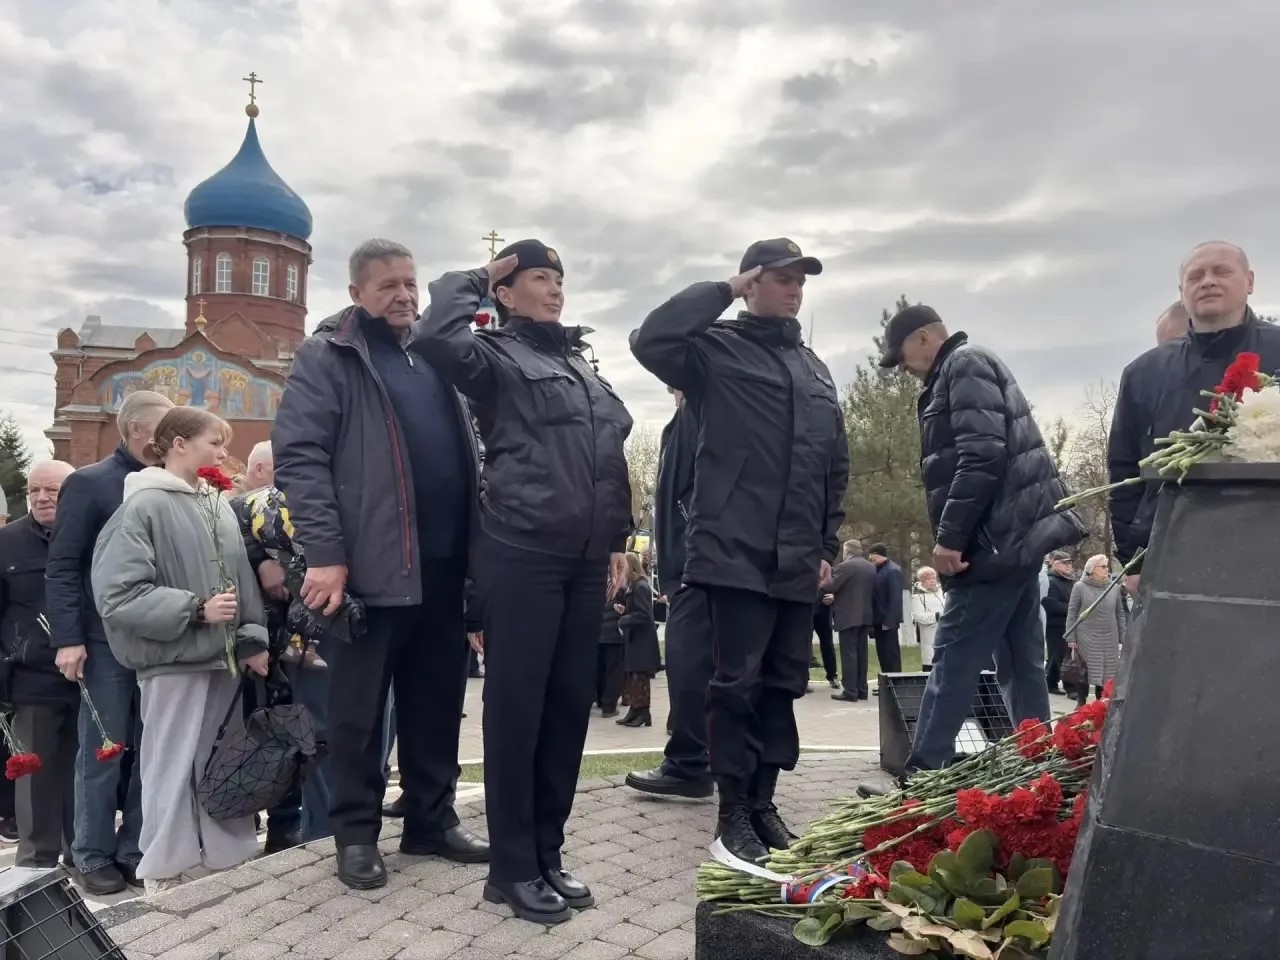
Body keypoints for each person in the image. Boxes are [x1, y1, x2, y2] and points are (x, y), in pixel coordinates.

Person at [413, 239, 632, 924]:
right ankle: (510, 869)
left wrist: (618, 539)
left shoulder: (580, 366)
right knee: (517, 710)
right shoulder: (494, 357)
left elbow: (606, 457)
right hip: (523, 551)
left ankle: (545, 853)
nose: (556, 287)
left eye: (560, 278)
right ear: (505, 293)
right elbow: (433, 334)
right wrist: (479, 276)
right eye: (540, 277)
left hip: (585, 558)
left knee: (568, 707)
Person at [272, 238, 484, 891]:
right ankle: (356, 836)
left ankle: (430, 821)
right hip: (369, 571)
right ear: (357, 293)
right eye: (388, 285)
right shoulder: (330, 356)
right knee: (359, 715)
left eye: (410, 284)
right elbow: (300, 457)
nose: (404, 296)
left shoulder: (432, 357)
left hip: (444, 568)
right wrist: (326, 554)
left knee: (436, 702)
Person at [630, 237, 848, 862]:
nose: (794, 289)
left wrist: (826, 543)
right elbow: (651, 338)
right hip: (734, 548)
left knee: (782, 684)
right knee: (735, 685)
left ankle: (762, 803)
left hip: (797, 556)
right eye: (781, 277)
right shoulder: (713, 350)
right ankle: (732, 814)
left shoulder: (814, 368)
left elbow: (834, 462)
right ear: (752, 282)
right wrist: (723, 289)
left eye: (800, 280)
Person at [862, 304, 1083, 787]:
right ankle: (1037, 772)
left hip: (991, 546)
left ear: (923, 338)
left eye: (900, 356)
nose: (901, 369)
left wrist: (951, 538)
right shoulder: (972, 364)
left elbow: (981, 455)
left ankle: (922, 777)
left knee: (954, 659)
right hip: (1016, 542)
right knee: (1020, 662)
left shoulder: (961, 365)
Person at [90, 407, 270, 896]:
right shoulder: (142, 506)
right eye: (215, 442)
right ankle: (167, 866)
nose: (223, 453)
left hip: (224, 662)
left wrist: (252, 640)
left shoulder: (217, 506)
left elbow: (243, 581)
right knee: (169, 764)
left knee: (220, 762)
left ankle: (226, 855)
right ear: (179, 444)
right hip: (172, 662)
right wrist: (195, 609)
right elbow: (118, 594)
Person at [45, 389, 174, 895]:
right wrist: (69, 639)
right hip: (103, 644)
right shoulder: (91, 483)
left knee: (153, 750)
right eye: (164, 428)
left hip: (161, 640)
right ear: (137, 430)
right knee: (105, 749)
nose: (173, 438)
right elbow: (63, 567)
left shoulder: (169, 483)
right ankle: (91, 853)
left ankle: (135, 848)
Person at [1110, 242, 1280, 600]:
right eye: (1196, 276)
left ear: (1249, 281)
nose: (1208, 281)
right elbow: (1123, 470)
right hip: (1172, 551)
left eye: (1222, 271)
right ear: (1182, 291)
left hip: (1268, 544)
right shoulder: (1143, 373)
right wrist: (1132, 560)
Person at [625, 387, 715, 800]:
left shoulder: (702, 406)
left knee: (689, 661)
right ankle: (702, 758)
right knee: (697, 664)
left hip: (697, 563)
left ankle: (690, 762)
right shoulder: (684, 417)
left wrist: (691, 545)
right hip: (689, 563)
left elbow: (696, 488)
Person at [0, 460, 77, 868]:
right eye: (35, 490)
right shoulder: (7, 542)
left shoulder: (93, 535)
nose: (43, 498)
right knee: (34, 777)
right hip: (31, 677)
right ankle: (35, 864)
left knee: (83, 774)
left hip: (88, 675)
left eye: (53, 490)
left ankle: (84, 855)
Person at [1065, 555, 1126, 705]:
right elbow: (1072, 613)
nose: (1107, 569)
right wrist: (1071, 637)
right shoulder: (1080, 587)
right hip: (1087, 636)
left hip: (1109, 637)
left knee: (1107, 671)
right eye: (1103, 566)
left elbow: (1120, 613)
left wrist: (1123, 636)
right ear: (1091, 569)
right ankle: (1081, 702)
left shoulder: (1114, 588)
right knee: (1086, 670)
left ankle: (1101, 703)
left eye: (1107, 566)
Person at [824, 539, 876, 702]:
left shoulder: (845, 566)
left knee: (849, 654)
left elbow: (831, 586)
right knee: (862, 654)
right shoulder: (870, 567)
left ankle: (850, 691)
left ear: (847, 551)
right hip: (865, 616)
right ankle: (862, 690)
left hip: (848, 616)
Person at [616, 553, 661, 728]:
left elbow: (644, 615)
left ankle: (643, 712)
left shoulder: (640, 586)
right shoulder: (633, 586)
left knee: (640, 677)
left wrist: (624, 620)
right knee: (633, 676)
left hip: (641, 641)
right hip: (635, 639)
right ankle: (635, 710)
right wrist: (626, 611)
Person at [867, 545, 904, 674]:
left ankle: (894, 680)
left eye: (871, 555)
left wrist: (889, 622)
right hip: (878, 620)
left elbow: (895, 598)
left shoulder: (892, 570)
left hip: (887, 621)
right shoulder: (877, 569)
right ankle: (886, 680)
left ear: (878, 554)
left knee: (890, 655)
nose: (869, 558)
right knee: (882, 655)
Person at [1042, 551, 1075, 695]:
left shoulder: (1070, 582)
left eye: (1070, 562)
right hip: (1055, 626)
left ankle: (1069, 686)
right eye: (1065, 563)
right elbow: (1050, 604)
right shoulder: (1051, 581)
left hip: (1070, 624)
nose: (1069, 566)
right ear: (1054, 564)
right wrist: (1072, 609)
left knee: (1069, 657)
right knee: (1056, 656)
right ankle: (1050, 683)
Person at [596, 589, 626, 718]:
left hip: (597, 633)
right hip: (614, 634)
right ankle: (609, 706)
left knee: (600, 669)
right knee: (613, 671)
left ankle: (600, 699)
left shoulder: (599, 584)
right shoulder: (620, 588)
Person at [911, 566, 945, 670]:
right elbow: (918, 616)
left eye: (933, 578)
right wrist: (937, 616)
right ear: (922, 581)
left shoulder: (943, 592)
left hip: (947, 632)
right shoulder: (918, 597)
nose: (932, 581)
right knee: (931, 661)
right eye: (928, 579)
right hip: (930, 634)